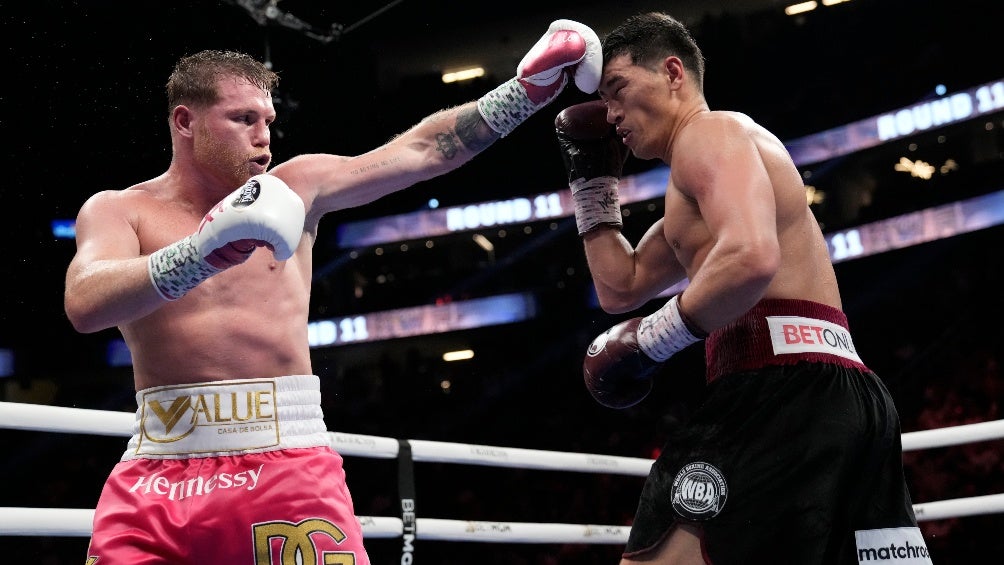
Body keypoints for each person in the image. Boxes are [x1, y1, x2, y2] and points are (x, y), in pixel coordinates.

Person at [63, 18, 600, 564]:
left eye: (268, 119)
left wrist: (527, 92)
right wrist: (198, 254)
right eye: (243, 118)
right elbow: (84, 303)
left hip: (285, 461)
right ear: (185, 121)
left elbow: (424, 151)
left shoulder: (296, 187)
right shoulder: (119, 209)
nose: (263, 135)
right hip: (159, 475)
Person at [554, 12, 932, 565]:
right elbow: (621, 285)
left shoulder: (711, 133)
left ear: (674, 73)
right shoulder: (696, 192)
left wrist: (650, 342)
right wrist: (591, 182)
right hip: (841, 393)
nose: (610, 115)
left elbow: (752, 257)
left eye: (618, 90)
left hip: (782, 390)